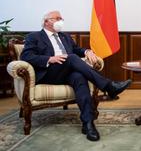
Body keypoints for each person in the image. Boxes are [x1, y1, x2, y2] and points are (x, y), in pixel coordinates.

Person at [20, 10, 132, 141]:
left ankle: (88, 123)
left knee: (79, 77)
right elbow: (26, 56)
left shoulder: (65, 36)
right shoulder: (34, 37)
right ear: (46, 22)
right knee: (72, 58)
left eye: (61, 18)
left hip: (66, 72)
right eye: (57, 18)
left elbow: (77, 49)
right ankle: (109, 86)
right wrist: (49, 59)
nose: (60, 21)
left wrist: (87, 51)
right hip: (48, 73)